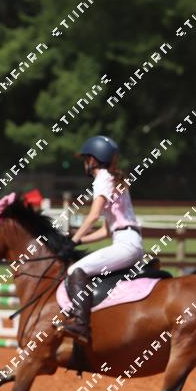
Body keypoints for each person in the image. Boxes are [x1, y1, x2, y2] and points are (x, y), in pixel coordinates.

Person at [59, 135, 143, 345]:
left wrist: (73, 240)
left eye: (85, 159)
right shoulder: (113, 179)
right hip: (130, 241)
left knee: (75, 270)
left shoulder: (102, 179)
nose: (84, 163)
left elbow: (93, 216)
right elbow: (106, 230)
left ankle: (81, 324)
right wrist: (81, 240)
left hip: (125, 244)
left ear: (93, 160)